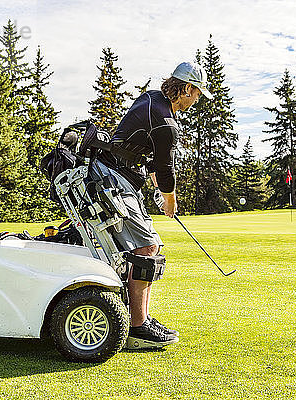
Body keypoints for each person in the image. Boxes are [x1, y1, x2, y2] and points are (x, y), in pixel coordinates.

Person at [89, 61, 212, 349]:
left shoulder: (152, 98)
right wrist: (169, 200)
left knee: (141, 247)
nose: (195, 102)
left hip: (113, 174)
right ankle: (138, 325)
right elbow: (165, 169)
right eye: (196, 95)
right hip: (113, 178)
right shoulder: (167, 123)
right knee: (147, 249)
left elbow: (149, 156)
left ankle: (136, 317)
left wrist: (156, 186)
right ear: (187, 88)